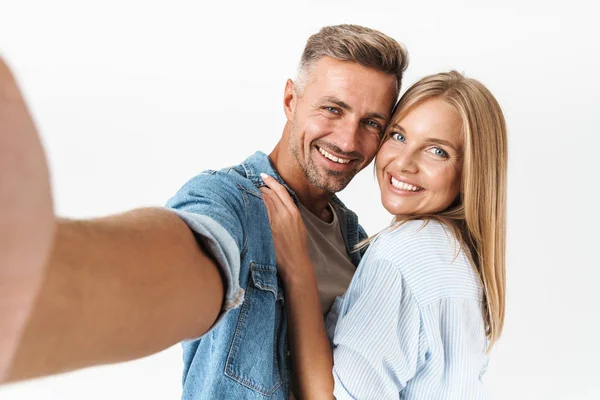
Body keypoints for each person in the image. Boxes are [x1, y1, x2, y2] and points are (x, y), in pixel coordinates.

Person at [0, 25, 409, 399]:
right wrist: (33, 280)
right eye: (332, 110)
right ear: (290, 100)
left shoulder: (359, 240)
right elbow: (175, 260)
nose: (348, 140)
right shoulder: (233, 201)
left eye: (372, 123)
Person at [260, 70, 507, 399]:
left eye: (437, 151)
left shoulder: (405, 254)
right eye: (399, 136)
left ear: (472, 172)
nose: (404, 163)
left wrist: (298, 270)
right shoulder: (454, 254)